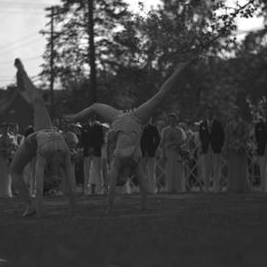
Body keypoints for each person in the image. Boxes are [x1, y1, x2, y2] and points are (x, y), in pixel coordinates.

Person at [64, 59, 194, 213]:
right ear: (126, 176)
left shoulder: (117, 162)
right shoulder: (135, 163)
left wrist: (108, 208)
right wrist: (144, 206)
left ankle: (73, 118)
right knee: (160, 96)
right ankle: (180, 68)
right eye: (124, 178)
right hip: (137, 119)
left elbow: (111, 188)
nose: (124, 177)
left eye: (121, 177)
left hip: (117, 118)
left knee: (96, 105)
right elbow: (144, 188)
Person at [11, 59, 76, 218]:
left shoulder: (45, 159)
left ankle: (28, 205)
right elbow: (71, 185)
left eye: (53, 181)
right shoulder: (63, 156)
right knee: (37, 101)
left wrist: (37, 209)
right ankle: (23, 83)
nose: (56, 179)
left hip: (38, 139)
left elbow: (40, 189)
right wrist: (73, 209)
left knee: (14, 171)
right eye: (57, 180)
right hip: (47, 136)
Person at [198, 106, 225, 192]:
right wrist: (202, 146)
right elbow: (201, 137)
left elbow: (222, 136)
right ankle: (206, 188)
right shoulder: (202, 124)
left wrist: (219, 146)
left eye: (211, 113)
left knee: (216, 168)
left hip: (216, 148)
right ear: (206, 114)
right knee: (206, 168)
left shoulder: (218, 124)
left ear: (213, 114)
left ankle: (216, 188)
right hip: (206, 148)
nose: (209, 114)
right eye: (208, 113)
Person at [224, 106, 250, 194]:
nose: (235, 114)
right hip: (231, 149)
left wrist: (240, 141)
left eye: (236, 113)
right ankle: (232, 187)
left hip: (241, 148)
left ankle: (242, 187)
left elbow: (247, 135)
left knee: (241, 168)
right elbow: (226, 138)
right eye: (233, 113)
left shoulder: (244, 124)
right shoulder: (228, 125)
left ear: (239, 114)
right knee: (232, 169)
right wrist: (226, 148)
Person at [160, 113, 187, 193]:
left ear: (176, 120)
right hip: (168, 152)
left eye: (174, 120)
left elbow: (183, 142)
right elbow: (162, 143)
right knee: (169, 170)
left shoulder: (179, 130)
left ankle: (179, 188)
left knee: (178, 170)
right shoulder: (165, 130)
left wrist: (176, 145)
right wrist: (163, 154)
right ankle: (169, 188)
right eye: (170, 120)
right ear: (168, 121)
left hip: (177, 152)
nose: (172, 121)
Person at [140, 117, 161, 194]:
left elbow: (158, 138)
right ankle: (143, 189)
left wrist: (154, 148)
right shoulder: (139, 127)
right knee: (141, 172)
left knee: (151, 171)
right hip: (141, 152)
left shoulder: (153, 128)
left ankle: (152, 189)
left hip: (151, 152)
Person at [0, 123, 16, 198]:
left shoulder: (11, 137)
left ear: (8, 128)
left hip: (7, 157)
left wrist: (7, 151)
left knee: (7, 175)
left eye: (6, 127)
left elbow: (13, 146)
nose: (5, 129)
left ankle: (7, 192)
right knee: (0, 174)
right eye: (3, 127)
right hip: (0, 158)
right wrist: (1, 149)